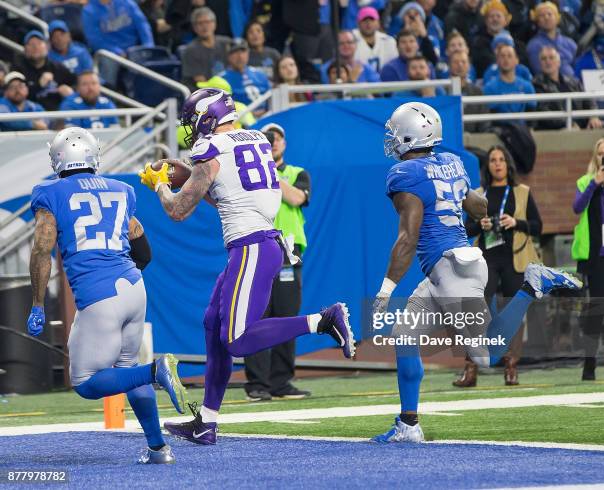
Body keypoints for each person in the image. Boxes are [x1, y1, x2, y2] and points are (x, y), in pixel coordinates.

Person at [139, 88, 356, 445]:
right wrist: (188, 176)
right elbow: (229, 192)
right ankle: (206, 422)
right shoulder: (255, 138)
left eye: (193, 119)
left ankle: (323, 320)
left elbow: (177, 210)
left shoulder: (211, 149)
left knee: (237, 339)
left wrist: (161, 186)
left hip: (252, 247)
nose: (191, 128)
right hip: (259, 244)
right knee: (213, 324)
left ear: (207, 117)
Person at [370, 101, 581, 442]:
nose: (392, 140)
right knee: (405, 339)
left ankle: (532, 285)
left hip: (454, 270)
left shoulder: (404, 175)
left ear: (411, 135)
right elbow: (478, 206)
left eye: (396, 134)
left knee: (488, 354)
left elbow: (407, 240)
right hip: (447, 268)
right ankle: (408, 425)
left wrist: (385, 290)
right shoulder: (452, 161)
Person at [27, 127, 187, 464]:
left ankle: (156, 371)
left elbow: (42, 249)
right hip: (133, 286)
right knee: (126, 366)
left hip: (100, 295)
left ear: (57, 157)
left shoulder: (49, 192)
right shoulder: (120, 190)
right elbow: (142, 246)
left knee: (86, 382)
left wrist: (38, 302)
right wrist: (123, 279)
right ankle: (158, 448)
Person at [455, 146, 542, 387]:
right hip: (486, 261)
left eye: (502, 159)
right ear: (488, 166)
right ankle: (471, 367)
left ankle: (511, 366)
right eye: (493, 160)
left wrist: (516, 222)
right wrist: (479, 225)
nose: (497, 164)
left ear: (508, 164)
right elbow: (464, 230)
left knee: (514, 314)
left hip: (515, 259)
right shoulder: (478, 194)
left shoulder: (521, 192)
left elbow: (538, 226)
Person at [244, 123, 312, 401]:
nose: (274, 141)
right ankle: (257, 385)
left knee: (286, 317)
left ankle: (281, 382)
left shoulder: (297, 173)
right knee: (256, 317)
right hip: (258, 247)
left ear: (284, 143)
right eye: (268, 137)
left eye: (278, 137)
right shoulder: (249, 172)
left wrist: (269, 170)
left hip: (288, 251)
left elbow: (296, 198)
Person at [571, 137, 604, 381]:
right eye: (601, 154)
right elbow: (577, 208)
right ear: (595, 158)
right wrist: (595, 184)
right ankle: (589, 364)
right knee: (598, 307)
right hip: (597, 254)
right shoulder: (586, 181)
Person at [81, 0, 154, 87]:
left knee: (151, 56)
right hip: (110, 52)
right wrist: (117, 51)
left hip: (134, 47)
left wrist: (148, 45)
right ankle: (109, 96)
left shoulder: (127, 2)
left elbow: (142, 25)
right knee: (109, 61)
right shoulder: (89, 11)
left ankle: (148, 93)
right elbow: (95, 40)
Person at [533, 46, 604, 130]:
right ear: (540, 63)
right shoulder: (536, 84)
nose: (548, 61)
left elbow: (589, 101)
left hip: (582, 128)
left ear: (558, 62)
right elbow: (544, 112)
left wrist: (593, 117)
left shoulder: (573, 82)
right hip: (557, 131)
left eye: (551, 58)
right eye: (543, 59)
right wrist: (569, 124)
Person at [13, 30, 75, 111]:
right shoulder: (19, 70)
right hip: (31, 115)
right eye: (31, 44)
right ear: (25, 49)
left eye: (39, 43)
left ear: (47, 47)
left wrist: (71, 92)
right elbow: (14, 96)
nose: (35, 47)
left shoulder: (57, 67)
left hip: (59, 114)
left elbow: (76, 83)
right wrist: (39, 85)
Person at [470, 0, 528, 78]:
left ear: (506, 21)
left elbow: (524, 63)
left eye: (498, 16)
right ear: (486, 21)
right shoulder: (478, 44)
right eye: (491, 16)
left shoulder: (518, 45)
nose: (495, 19)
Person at [180, 7, 231, 89]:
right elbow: (202, 83)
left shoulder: (226, 43)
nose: (204, 26)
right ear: (194, 27)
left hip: (228, 88)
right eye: (200, 23)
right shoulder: (191, 50)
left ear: (214, 23)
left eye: (207, 22)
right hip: (204, 94)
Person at [218, 39, 271, 116]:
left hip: (268, 116)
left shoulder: (260, 74)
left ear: (248, 54)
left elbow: (271, 100)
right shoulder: (221, 79)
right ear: (228, 56)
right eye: (235, 52)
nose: (240, 56)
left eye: (243, 51)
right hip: (241, 122)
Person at [483, 44, 536, 117]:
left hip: (522, 127)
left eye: (509, 56)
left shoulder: (527, 87)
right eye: (502, 56)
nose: (506, 59)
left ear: (517, 60)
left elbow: (532, 112)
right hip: (499, 127)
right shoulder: (489, 88)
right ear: (497, 60)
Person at [526, 2, 576, 78]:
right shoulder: (533, 45)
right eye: (542, 15)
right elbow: (538, 71)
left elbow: (578, 67)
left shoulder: (570, 43)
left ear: (557, 18)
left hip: (573, 85)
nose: (546, 17)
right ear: (537, 21)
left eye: (550, 14)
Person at [447, 51, 491, 133]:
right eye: (456, 62)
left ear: (469, 66)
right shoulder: (442, 90)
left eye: (463, 62)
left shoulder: (477, 91)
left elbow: (484, 122)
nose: (460, 65)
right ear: (449, 65)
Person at [352, 6, 398, 74]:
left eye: (372, 19)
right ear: (358, 23)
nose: (368, 23)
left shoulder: (389, 41)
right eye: (364, 20)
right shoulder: (350, 40)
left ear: (378, 22)